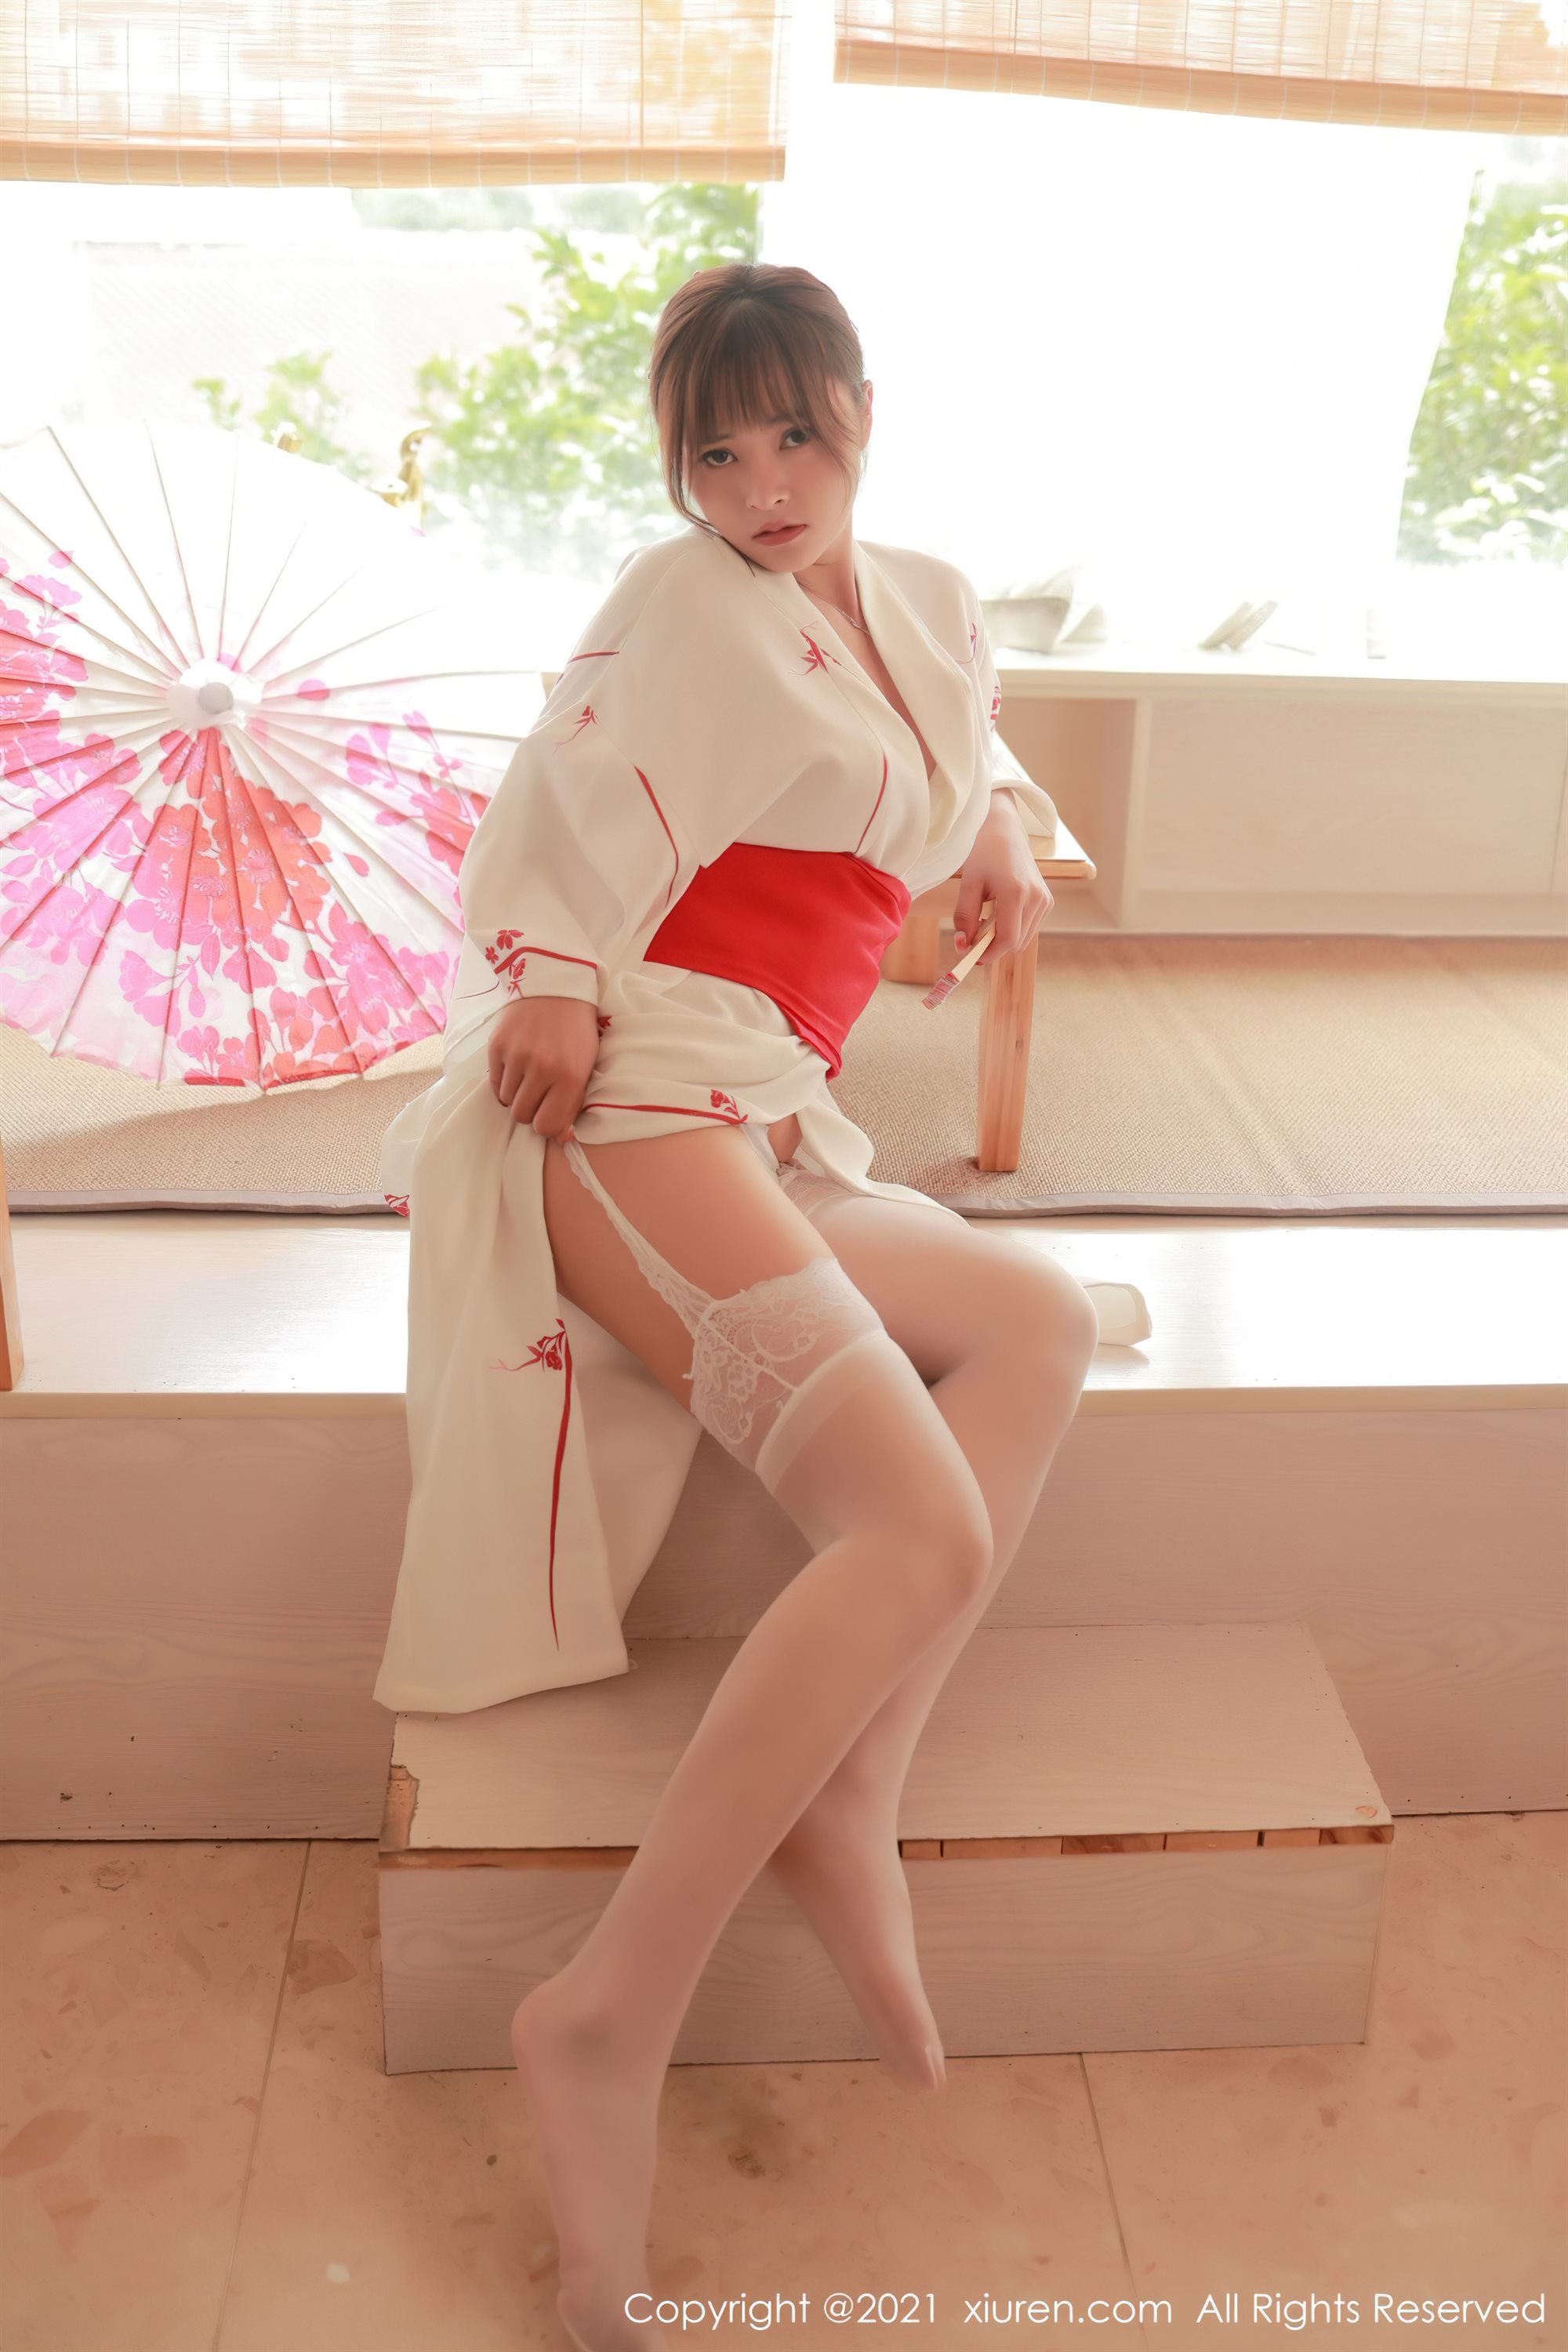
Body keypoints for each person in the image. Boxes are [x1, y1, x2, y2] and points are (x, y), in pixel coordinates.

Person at [376, 261, 1151, 2352]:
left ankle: (850, 1795)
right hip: (637, 1096)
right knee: (917, 1526)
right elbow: (561, 797)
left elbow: (950, 764)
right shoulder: (680, 599)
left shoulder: (926, 597)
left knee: (1039, 1323)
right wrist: (549, 977)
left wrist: (999, 827)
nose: (756, 487)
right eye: (713, 454)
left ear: (860, 415)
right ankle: (608, 2012)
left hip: (772, 1108)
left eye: (791, 435)